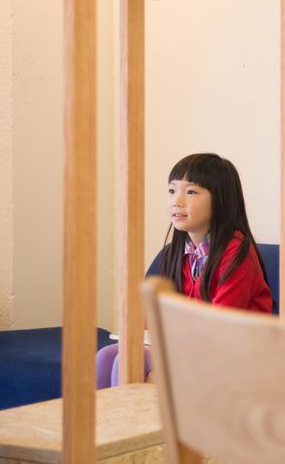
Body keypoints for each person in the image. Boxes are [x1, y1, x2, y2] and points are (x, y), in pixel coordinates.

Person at [96, 153, 272, 387]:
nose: (176, 201)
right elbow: (156, 316)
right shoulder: (176, 252)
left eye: (190, 192)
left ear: (221, 200)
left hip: (232, 354)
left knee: (130, 362)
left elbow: (220, 327)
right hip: (192, 346)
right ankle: (106, 414)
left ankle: (140, 411)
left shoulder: (237, 254)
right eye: (172, 190)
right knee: (107, 356)